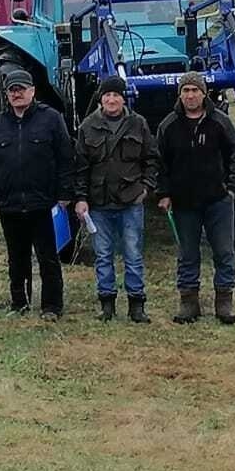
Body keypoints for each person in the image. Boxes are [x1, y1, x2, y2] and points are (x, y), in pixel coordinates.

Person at [0, 66, 72, 320]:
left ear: (32, 91)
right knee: (16, 258)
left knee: (48, 258)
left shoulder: (52, 119)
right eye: (12, 90)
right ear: (7, 95)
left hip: (43, 204)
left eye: (21, 89)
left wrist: (65, 193)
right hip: (9, 204)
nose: (17, 94)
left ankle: (51, 306)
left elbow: (65, 158)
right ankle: (19, 301)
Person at [155, 71, 235, 325]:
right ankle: (188, 302)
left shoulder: (221, 122)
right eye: (186, 91)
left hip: (218, 201)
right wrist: (164, 194)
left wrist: (232, 188)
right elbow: (160, 163)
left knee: (224, 251)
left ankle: (224, 302)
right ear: (179, 95)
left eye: (195, 91)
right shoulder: (168, 126)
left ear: (204, 94)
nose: (190, 95)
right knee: (188, 254)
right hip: (184, 204)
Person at [72, 74, 159, 323]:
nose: (111, 99)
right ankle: (107, 304)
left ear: (124, 99)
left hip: (131, 202)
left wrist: (146, 188)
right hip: (99, 204)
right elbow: (80, 167)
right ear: (101, 99)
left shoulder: (138, 124)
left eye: (116, 95)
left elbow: (151, 159)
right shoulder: (88, 126)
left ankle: (136, 305)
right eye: (107, 95)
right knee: (103, 255)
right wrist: (81, 198)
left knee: (133, 254)